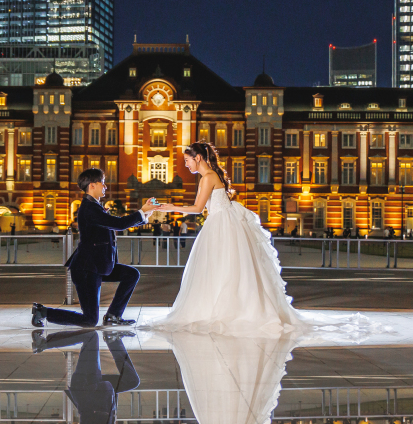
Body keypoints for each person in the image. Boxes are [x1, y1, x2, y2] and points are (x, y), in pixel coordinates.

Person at [147, 141, 380, 336]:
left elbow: (198, 208)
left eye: (187, 160)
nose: (185, 164)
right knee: (229, 269)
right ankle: (230, 308)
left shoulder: (206, 177)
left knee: (218, 269)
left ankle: (221, 310)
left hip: (220, 226)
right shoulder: (211, 175)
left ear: (197, 157)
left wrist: (169, 206)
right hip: (224, 223)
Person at [32, 168, 156, 328]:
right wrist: (141, 212)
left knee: (131, 275)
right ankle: (43, 312)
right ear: (92, 185)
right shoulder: (89, 208)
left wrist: (144, 216)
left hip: (99, 265)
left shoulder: (94, 207)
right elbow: (118, 224)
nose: (105, 187)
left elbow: (114, 223)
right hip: (86, 269)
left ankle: (113, 315)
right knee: (90, 320)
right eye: (102, 183)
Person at [31, 329, 139, 422]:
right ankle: (113, 340)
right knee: (132, 381)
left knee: (91, 336)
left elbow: (87, 414)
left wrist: (99, 388)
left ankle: (43, 344)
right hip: (101, 390)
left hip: (88, 385)